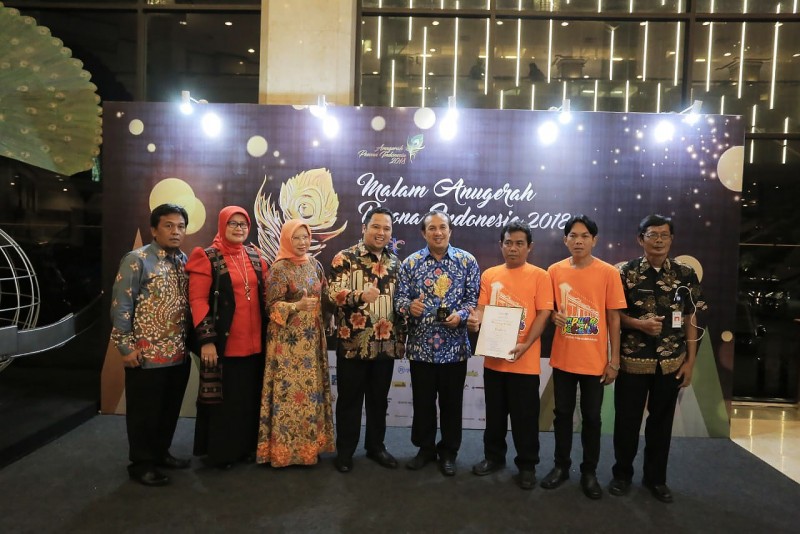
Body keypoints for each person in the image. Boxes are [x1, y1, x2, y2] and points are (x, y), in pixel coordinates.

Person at [609, 214, 706, 503]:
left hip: (671, 363)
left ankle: (656, 479)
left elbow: (690, 318)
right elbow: (613, 316)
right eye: (653, 235)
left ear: (671, 239)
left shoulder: (685, 274)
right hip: (632, 362)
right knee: (626, 422)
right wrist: (639, 325)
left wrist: (690, 362)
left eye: (664, 235)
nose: (659, 240)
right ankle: (621, 475)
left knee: (661, 425)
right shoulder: (624, 273)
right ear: (641, 239)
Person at [540, 214, 626, 499]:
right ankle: (561, 467)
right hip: (563, 358)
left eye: (585, 236)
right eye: (573, 236)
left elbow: (613, 319)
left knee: (591, 418)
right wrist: (554, 316)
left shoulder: (608, 273)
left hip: (595, 362)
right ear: (565, 240)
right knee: (562, 415)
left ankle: (589, 472)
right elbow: (547, 309)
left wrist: (614, 361)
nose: (579, 241)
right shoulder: (554, 271)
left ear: (594, 240)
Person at [110, 203, 192, 487]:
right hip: (145, 355)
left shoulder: (183, 260)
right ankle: (142, 464)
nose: (176, 231)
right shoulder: (137, 260)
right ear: (154, 230)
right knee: (144, 413)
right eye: (169, 225)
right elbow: (121, 306)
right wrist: (125, 347)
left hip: (178, 353)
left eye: (180, 226)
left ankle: (161, 453)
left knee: (169, 409)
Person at [467, 221, 553, 490]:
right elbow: (482, 309)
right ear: (501, 245)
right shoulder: (490, 274)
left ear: (529, 247)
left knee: (525, 418)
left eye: (519, 243)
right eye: (508, 243)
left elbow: (544, 314)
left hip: (524, 362)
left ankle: (527, 465)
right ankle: (493, 457)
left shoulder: (540, 276)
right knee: (494, 415)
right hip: (494, 360)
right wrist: (475, 320)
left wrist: (525, 344)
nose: (513, 248)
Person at [395, 210, 480, 476]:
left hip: (455, 349)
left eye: (442, 227)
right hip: (421, 348)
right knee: (423, 402)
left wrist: (461, 316)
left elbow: (473, 299)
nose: (438, 232)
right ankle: (425, 449)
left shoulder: (467, 261)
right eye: (432, 228)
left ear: (450, 230)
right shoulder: (410, 263)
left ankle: (449, 451)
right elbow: (399, 300)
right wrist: (410, 306)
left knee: (452, 404)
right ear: (424, 233)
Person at [186, 206, 268, 470]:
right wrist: (207, 341)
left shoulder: (255, 255)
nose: (238, 228)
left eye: (243, 224)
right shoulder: (206, 256)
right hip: (225, 344)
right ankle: (222, 453)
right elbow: (198, 300)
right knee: (225, 402)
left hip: (255, 344)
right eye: (233, 223)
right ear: (222, 225)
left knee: (248, 399)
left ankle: (245, 448)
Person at [327, 207, 405, 473]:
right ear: (364, 228)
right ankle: (345, 452)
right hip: (353, 345)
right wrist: (359, 296)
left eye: (386, 228)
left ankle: (376, 447)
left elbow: (400, 302)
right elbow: (332, 294)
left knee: (378, 401)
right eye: (376, 226)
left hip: (386, 345)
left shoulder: (396, 263)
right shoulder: (345, 258)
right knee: (349, 401)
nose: (381, 232)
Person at [256, 219, 335, 467]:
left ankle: (309, 448)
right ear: (286, 240)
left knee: (310, 395)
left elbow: (324, 295)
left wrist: (331, 312)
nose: (302, 243)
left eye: (305, 237)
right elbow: (270, 307)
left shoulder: (315, 264)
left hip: (311, 341)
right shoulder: (279, 268)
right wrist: (296, 306)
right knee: (288, 395)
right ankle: (284, 452)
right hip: (287, 345)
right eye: (296, 238)